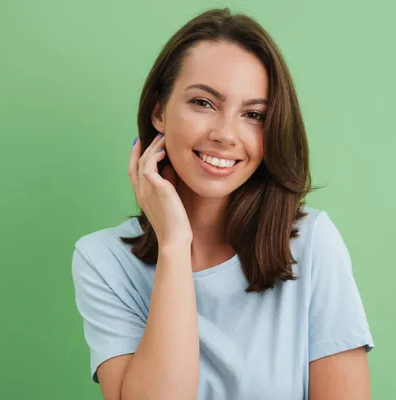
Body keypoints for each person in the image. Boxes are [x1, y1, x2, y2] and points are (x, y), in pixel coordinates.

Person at [71, 8, 374, 400]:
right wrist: (175, 245)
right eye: (204, 103)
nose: (226, 135)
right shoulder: (103, 260)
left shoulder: (311, 243)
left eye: (253, 115)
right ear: (159, 112)